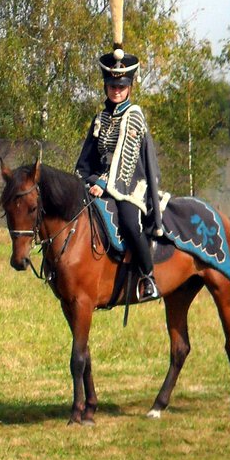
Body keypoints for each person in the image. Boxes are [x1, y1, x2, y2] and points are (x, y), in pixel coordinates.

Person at [75, 47, 164, 301]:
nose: (117, 90)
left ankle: (148, 278)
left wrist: (103, 183)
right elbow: (85, 162)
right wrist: (85, 181)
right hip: (100, 184)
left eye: (122, 86)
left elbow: (125, 160)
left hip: (130, 185)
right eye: (112, 86)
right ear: (106, 86)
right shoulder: (100, 118)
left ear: (129, 87)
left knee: (128, 221)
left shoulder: (133, 116)